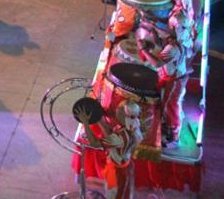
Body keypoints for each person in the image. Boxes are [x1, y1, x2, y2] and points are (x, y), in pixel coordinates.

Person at [138, 12, 190, 148]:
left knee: (170, 107)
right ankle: (166, 126)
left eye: (171, 27)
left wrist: (143, 49)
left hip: (174, 82)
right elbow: (162, 38)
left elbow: (157, 63)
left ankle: (173, 137)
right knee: (167, 105)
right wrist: (152, 27)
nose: (168, 29)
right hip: (171, 78)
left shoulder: (172, 48)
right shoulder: (176, 40)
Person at [76, 101, 143, 199]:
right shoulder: (132, 129)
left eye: (119, 111)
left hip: (117, 172)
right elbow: (109, 132)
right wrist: (98, 118)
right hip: (125, 166)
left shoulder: (120, 137)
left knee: (114, 194)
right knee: (123, 193)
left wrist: (85, 122)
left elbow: (94, 143)